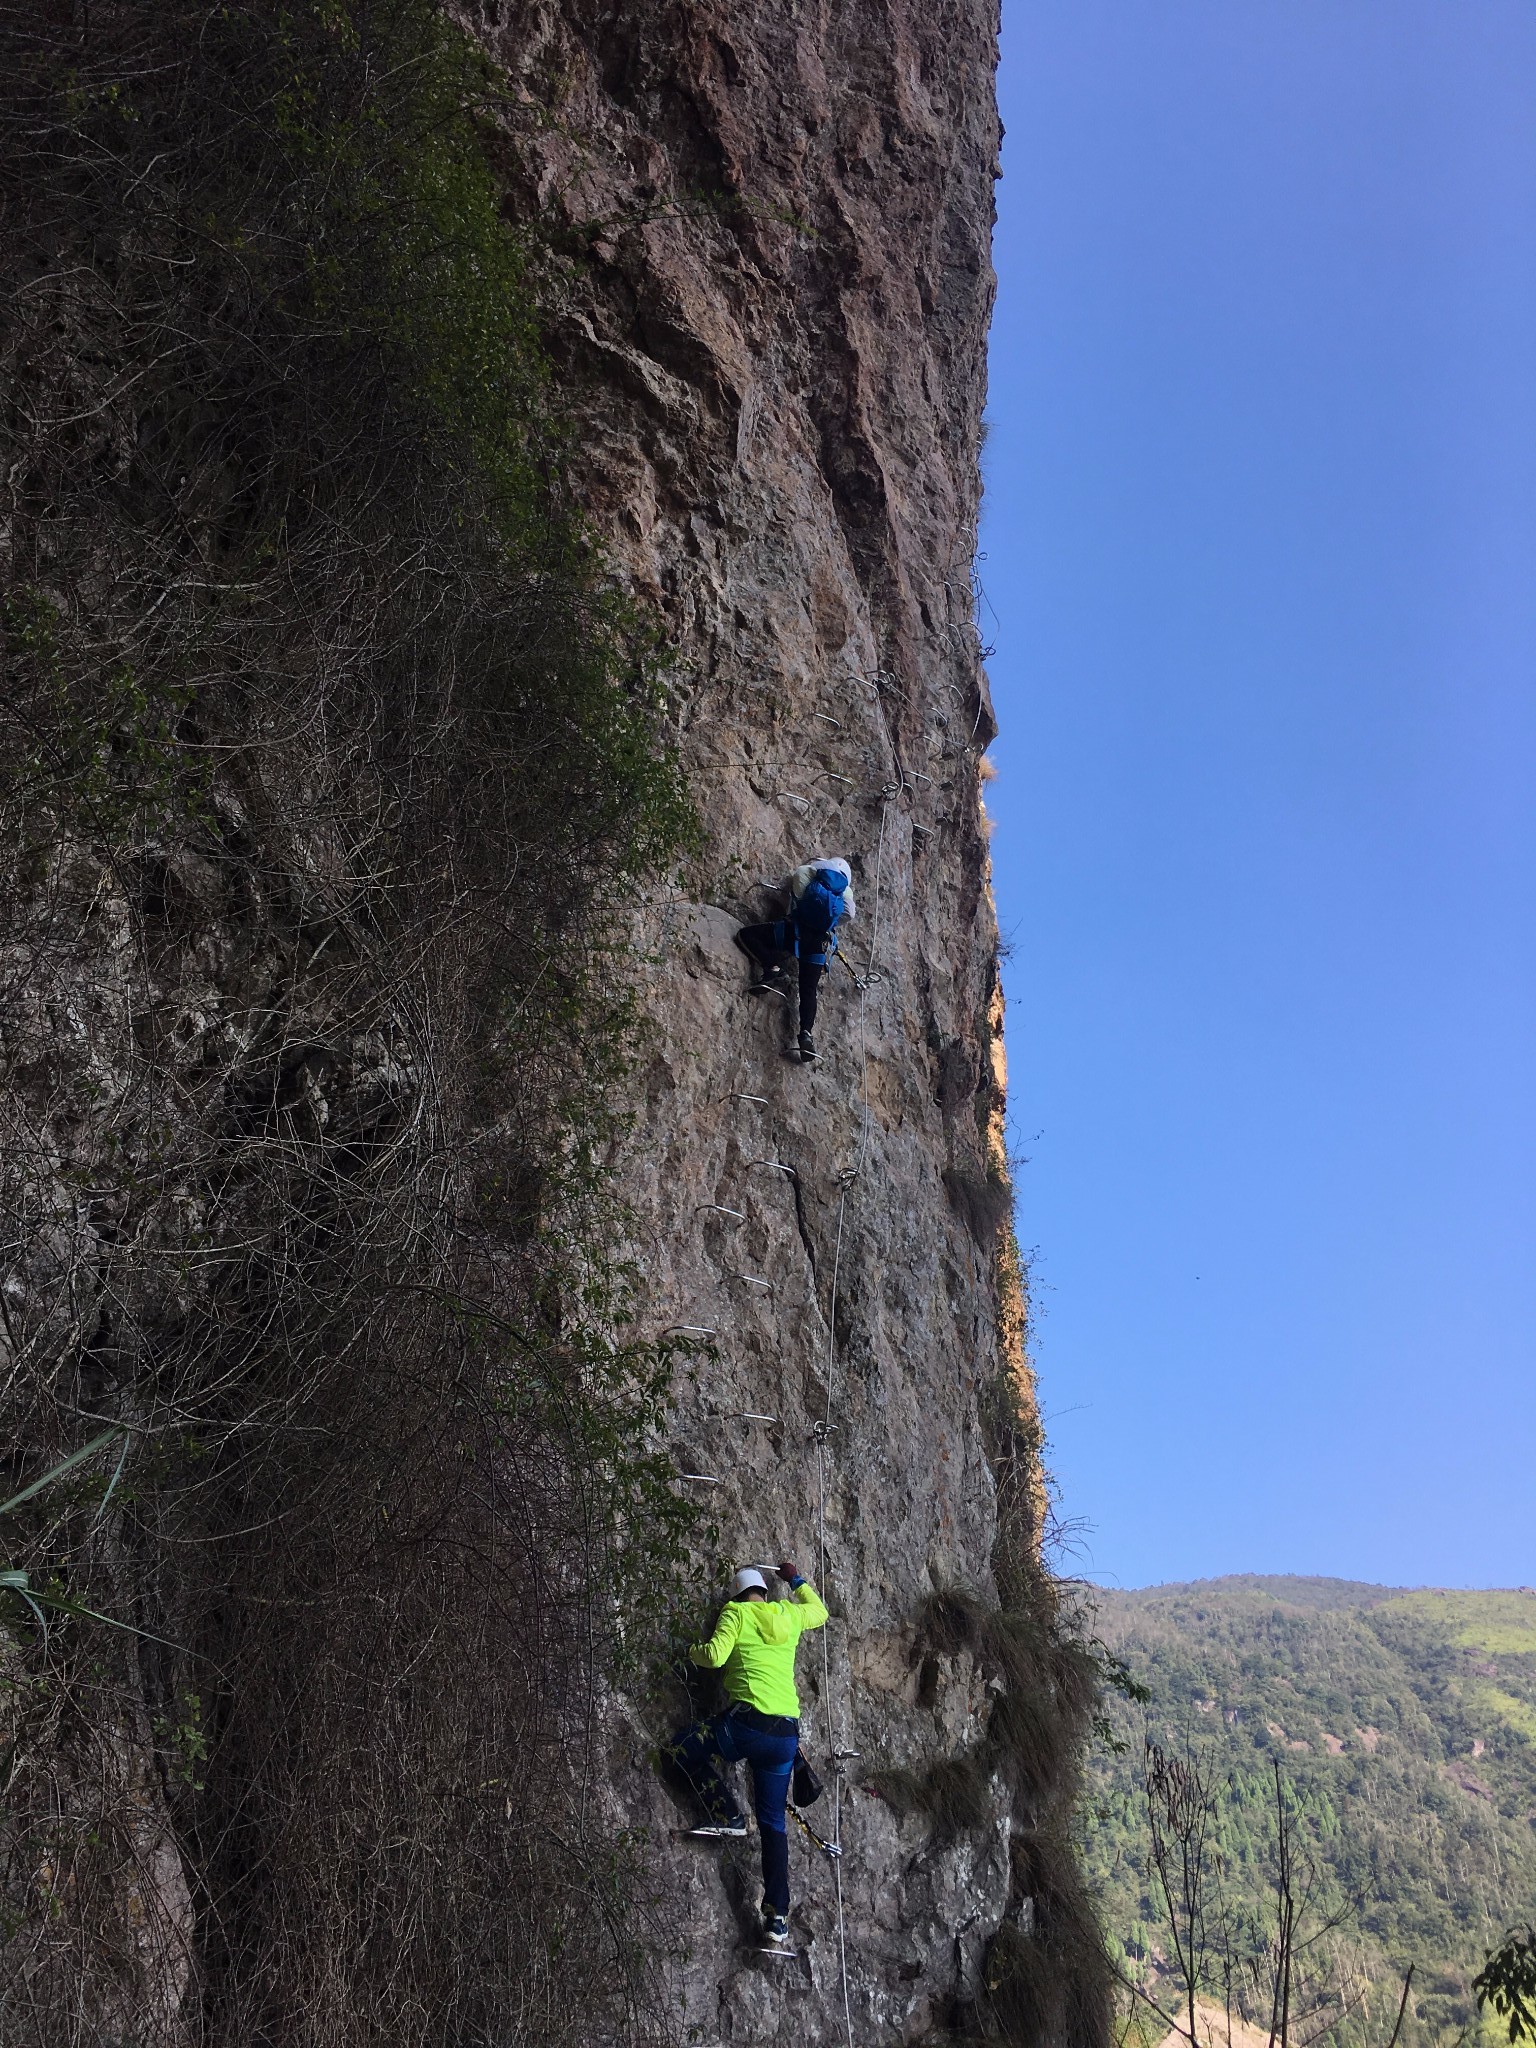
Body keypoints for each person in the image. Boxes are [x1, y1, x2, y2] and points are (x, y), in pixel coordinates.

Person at [668, 1560, 829, 1945]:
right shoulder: (787, 1614)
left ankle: (728, 1813)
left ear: (737, 1595)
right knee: (774, 1822)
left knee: (680, 1750)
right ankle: (777, 1917)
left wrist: (688, 1651)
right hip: (785, 1738)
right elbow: (820, 1612)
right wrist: (794, 1579)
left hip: (748, 1725)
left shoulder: (736, 1613)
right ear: (765, 1592)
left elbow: (716, 1655)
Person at [734, 858, 856, 1063]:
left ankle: (773, 967)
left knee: (746, 935)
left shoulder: (810, 871)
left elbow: (797, 888)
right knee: (808, 989)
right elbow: (849, 915)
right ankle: (806, 1034)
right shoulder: (846, 892)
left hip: (792, 933)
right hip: (819, 943)